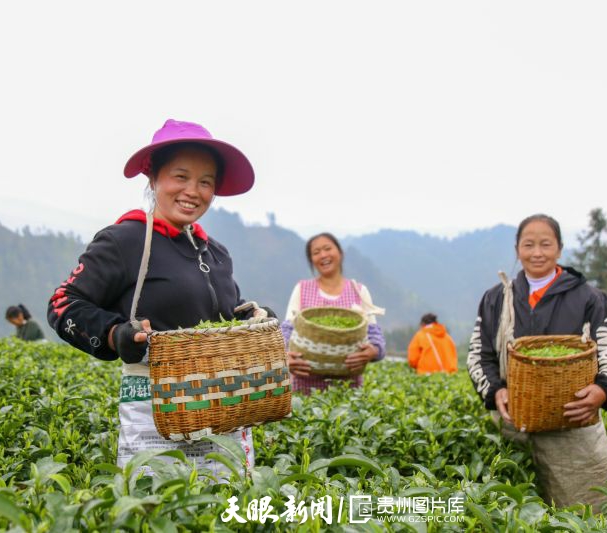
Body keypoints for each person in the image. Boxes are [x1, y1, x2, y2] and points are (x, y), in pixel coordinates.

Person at [47, 119, 273, 471]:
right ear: (154, 179)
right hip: (155, 415)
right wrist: (114, 334)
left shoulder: (215, 253)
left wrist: (251, 321)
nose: (193, 191)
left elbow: (222, 319)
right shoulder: (125, 240)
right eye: (180, 177)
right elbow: (62, 304)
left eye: (205, 182)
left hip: (224, 412)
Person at [466, 213, 607, 511]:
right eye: (529, 245)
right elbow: (479, 354)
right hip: (514, 426)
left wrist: (603, 391)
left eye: (545, 244)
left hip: (573, 432)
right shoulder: (496, 299)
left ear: (560, 249)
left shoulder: (589, 298)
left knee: (593, 512)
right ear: (517, 250)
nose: (537, 253)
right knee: (515, 513)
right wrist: (496, 391)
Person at [280, 233, 386, 394]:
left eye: (327, 248)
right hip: (305, 390)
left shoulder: (358, 290)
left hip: (348, 390)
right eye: (316, 252)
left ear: (340, 252)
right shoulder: (302, 289)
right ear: (311, 261)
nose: (323, 255)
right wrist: (284, 357)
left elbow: (375, 339)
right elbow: (286, 332)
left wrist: (372, 352)